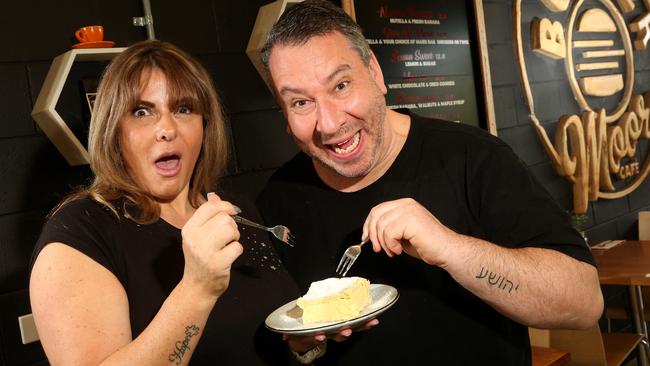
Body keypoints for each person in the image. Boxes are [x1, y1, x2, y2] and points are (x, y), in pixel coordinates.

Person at [256, 1, 604, 364]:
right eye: (300, 102)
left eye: (341, 85)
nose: (328, 123)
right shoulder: (276, 205)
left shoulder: (473, 158)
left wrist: (451, 249)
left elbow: (583, 303)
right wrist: (301, 346)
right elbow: (280, 350)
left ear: (375, 73)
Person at [29, 40, 299, 365]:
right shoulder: (82, 230)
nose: (167, 129)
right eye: (142, 112)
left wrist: (305, 345)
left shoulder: (234, 210)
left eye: (183, 109)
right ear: (115, 132)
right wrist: (197, 288)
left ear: (205, 125)